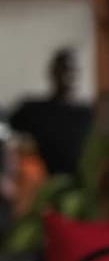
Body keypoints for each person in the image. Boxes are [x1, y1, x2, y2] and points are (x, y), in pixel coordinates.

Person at [8, 48, 92, 177]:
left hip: (83, 185)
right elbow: (6, 130)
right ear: (53, 72)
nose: (69, 75)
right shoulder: (33, 111)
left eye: (74, 69)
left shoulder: (89, 114)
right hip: (45, 184)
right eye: (64, 68)